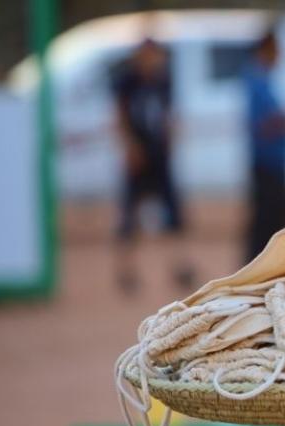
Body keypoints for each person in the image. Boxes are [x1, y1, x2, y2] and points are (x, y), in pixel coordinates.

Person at [111, 38, 193, 294]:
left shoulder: (163, 80)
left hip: (159, 154)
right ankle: (127, 271)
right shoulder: (127, 82)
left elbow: (168, 114)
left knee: (173, 211)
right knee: (130, 213)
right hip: (139, 153)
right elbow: (120, 115)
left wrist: (171, 140)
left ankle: (179, 267)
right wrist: (130, 147)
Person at [243, 29, 285, 262]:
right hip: (267, 161)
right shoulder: (256, 80)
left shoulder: (265, 79)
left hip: (273, 160)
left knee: (272, 217)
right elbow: (261, 123)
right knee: (266, 218)